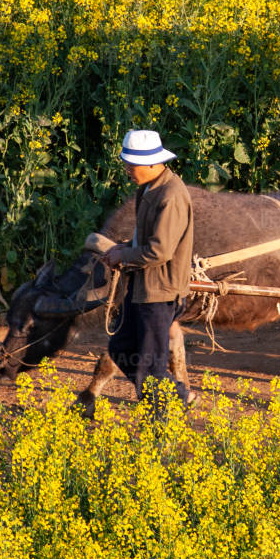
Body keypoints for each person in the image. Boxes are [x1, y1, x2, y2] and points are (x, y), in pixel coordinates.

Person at [98, 129, 193, 410]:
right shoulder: (149, 189)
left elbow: (159, 250)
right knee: (120, 348)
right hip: (142, 286)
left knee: (149, 371)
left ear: (153, 163)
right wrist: (121, 249)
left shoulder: (171, 195)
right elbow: (146, 240)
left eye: (132, 164)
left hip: (160, 293)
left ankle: (160, 427)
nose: (127, 170)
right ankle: (180, 395)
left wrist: (124, 255)